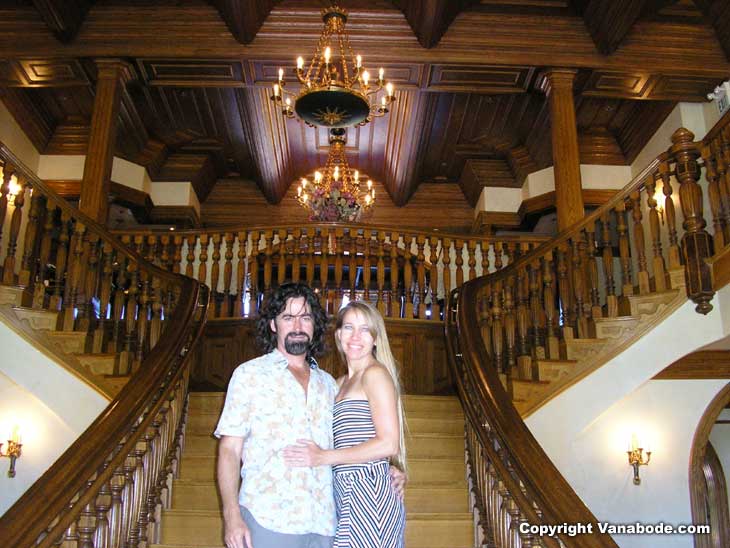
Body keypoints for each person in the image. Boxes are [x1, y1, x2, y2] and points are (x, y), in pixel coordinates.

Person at [214, 283, 405, 548]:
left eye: (305, 317)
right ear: (273, 324)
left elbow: (360, 438)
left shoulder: (327, 384)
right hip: (269, 518)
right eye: (288, 317)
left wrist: (387, 470)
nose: (297, 326)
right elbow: (229, 451)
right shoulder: (249, 375)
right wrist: (231, 514)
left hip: (327, 522)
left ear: (315, 325)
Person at [283, 300, 407, 548]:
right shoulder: (337, 383)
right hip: (344, 490)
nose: (355, 337)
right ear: (338, 335)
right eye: (349, 327)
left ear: (375, 338)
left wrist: (324, 457)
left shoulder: (375, 375)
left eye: (365, 330)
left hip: (368, 491)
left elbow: (389, 443)